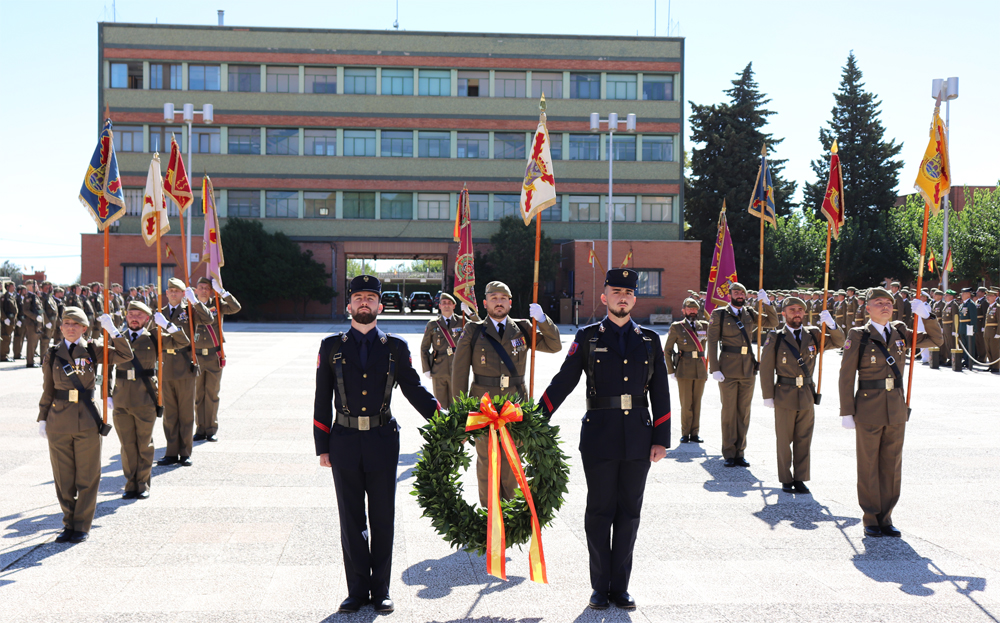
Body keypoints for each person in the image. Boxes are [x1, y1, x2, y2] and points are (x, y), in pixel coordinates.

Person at [539, 268, 671, 611]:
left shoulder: (650, 340)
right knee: (599, 511)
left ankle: (620, 587)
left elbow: (661, 392)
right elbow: (563, 381)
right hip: (599, 435)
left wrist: (662, 438)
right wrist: (537, 418)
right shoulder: (588, 337)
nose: (622, 297)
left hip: (640, 439)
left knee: (629, 512)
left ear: (634, 299)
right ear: (604, 297)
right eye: (616, 291)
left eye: (628, 292)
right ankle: (599, 587)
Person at [313, 275, 441, 614]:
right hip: (343, 441)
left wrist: (446, 421)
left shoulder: (395, 348)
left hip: (383, 441)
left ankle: (381, 590)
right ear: (349, 305)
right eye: (359, 298)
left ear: (381, 306)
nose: (364, 303)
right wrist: (322, 446)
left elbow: (415, 390)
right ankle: (356, 591)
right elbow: (321, 398)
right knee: (351, 519)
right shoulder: (331, 346)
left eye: (371, 297)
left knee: (383, 517)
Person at [839, 287, 942, 537]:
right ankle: (870, 517)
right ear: (868, 308)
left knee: (892, 464)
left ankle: (886, 516)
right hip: (868, 406)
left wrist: (927, 317)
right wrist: (846, 411)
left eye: (888, 302)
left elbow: (936, 340)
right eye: (879, 302)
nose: (885, 306)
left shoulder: (900, 332)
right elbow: (846, 375)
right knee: (868, 464)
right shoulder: (859, 334)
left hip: (896, 406)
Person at [452, 280, 561, 507]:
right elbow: (459, 373)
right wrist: (459, 414)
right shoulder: (473, 331)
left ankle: (510, 514)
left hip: (515, 406)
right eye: (494, 298)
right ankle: (489, 516)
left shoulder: (522, 328)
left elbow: (554, 346)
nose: (498, 303)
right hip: (483, 406)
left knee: (513, 462)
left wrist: (543, 321)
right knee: (487, 462)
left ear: (510, 303)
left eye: (503, 299)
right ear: (485, 303)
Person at [38, 306, 133, 543]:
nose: (70, 328)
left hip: (87, 419)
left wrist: (114, 332)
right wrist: (42, 417)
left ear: (84, 328)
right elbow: (48, 388)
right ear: (61, 328)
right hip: (58, 420)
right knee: (63, 477)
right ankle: (68, 522)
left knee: (88, 476)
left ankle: (81, 525)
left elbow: (125, 356)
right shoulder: (53, 352)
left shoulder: (93, 348)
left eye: (76, 325)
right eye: (66, 324)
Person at [760, 298, 844, 493]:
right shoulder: (776, 337)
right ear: (784, 313)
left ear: (804, 314)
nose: (796, 313)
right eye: (792, 310)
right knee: (784, 439)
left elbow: (839, 342)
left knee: (804, 438)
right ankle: (785, 478)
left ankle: (800, 478)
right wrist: (767, 395)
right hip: (784, 393)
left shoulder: (814, 335)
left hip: (806, 393)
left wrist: (832, 325)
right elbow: (766, 368)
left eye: (800, 310)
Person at [113, 301, 189, 499]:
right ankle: (130, 484)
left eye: (139, 315)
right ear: (126, 316)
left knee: (144, 443)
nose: (134, 318)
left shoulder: (154, 337)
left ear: (147, 319)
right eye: (131, 314)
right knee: (127, 444)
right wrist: (106, 394)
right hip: (121, 398)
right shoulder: (116, 337)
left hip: (145, 397)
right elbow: (103, 363)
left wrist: (168, 325)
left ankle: (143, 484)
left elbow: (183, 342)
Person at [706, 283, 778, 467]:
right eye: (736, 292)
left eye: (743, 293)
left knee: (744, 412)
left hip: (747, 368)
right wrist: (714, 368)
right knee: (729, 411)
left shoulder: (750, 313)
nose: (740, 295)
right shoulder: (719, 314)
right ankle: (729, 452)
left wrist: (767, 303)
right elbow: (712, 341)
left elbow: (773, 322)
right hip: (727, 368)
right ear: (729, 295)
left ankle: (740, 452)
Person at [157, 278, 212, 467]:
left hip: (185, 364)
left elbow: (209, 319)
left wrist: (195, 301)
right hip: (166, 366)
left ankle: (185, 452)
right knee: (170, 413)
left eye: (177, 291)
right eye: (170, 290)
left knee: (186, 413)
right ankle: (171, 452)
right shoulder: (160, 314)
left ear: (183, 294)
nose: (173, 294)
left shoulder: (189, 311)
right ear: (166, 293)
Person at [192, 277, 242, 442]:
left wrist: (222, 292)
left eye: (207, 288)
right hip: (197, 355)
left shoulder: (218, 304)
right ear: (196, 289)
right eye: (201, 287)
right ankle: (200, 429)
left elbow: (236, 307)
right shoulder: (190, 305)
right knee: (199, 395)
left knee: (212, 394)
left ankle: (211, 429)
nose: (204, 290)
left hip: (214, 355)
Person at [664, 298, 707, 444]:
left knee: (697, 403)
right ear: (683, 310)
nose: (692, 311)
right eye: (689, 309)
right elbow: (667, 350)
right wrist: (671, 370)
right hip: (684, 369)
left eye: (695, 309)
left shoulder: (704, 326)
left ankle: (695, 433)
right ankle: (685, 432)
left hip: (700, 369)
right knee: (686, 403)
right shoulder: (677, 327)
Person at [419, 292, 462, 407]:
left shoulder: (462, 322)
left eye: (449, 303)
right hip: (439, 368)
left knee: (457, 403)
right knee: (440, 404)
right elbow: (424, 348)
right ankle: (442, 425)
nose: (446, 305)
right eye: (444, 303)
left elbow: (479, 325)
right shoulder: (433, 325)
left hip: (457, 368)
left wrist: (469, 312)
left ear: (454, 306)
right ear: (440, 306)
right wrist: (426, 368)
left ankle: (456, 426)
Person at [958, 287, 978, 370]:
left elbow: (973, 318)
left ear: (968, 294)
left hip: (968, 327)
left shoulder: (971, 304)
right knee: (965, 345)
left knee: (970, 345)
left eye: (964, 293)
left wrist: (973, 328)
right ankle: (965, 360)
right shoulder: (963, 304)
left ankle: (969, 361)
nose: (962, 295)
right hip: (962, 327)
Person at [940, 289, 960, 367]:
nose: (945, 297)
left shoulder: (954, 305)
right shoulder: (947, 304)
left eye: (947, 295)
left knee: (951, 344)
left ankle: (953, 359)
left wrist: (954, 330)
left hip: (950, 327)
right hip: (945, 327)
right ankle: (949, 358)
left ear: (951, 296)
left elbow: (955, 318)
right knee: (947, 344)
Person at [2, 280, 19, 361]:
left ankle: (5, 354)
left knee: (8, 338)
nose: (14, 288)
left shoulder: (12, 297)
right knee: (5, 338)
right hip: (6, 322)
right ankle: (2, 356)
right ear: (8, 287)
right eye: (13, 286)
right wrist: (5, 319)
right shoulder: (4, 297)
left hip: (12, 321)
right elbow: (1, 310)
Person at [983, 288, 999, 374]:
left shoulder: (997, 307)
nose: (987, 297)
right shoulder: (990, 307)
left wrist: (998, 333)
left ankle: (996, 366)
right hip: (988, 331)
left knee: (994, 349)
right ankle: (991, 365)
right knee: (988, 349)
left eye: (989, 296)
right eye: (987, 296)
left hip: (994, 331)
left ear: (995, 296)